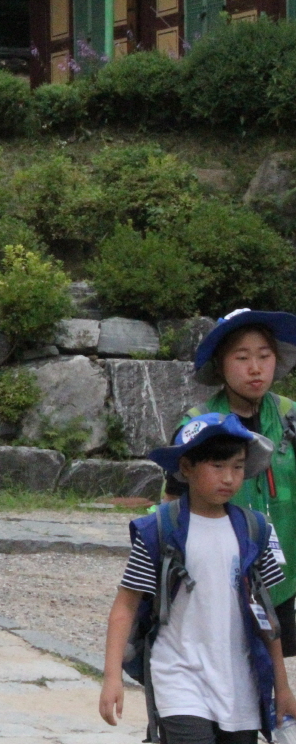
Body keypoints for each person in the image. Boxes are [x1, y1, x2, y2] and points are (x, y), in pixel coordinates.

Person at [100, 412, 296, 744]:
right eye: (217, 467)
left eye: (237, 467)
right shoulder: (159, 531)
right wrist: (111, 677)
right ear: (187, 468)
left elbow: (267, 617)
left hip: (240, 683)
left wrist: (282, 685)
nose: (229, 478)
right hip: (178, 676)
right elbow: (125, 606)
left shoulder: (255, 531)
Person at [182, 309, 296, 657]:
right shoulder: (199, 423)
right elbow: (175, 498)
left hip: (284, 572)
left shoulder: (291, 414)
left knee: (275, 665)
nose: (255, 368)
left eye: (264, 356)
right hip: (218, 569)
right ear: (220, 364)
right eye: (242, 357)